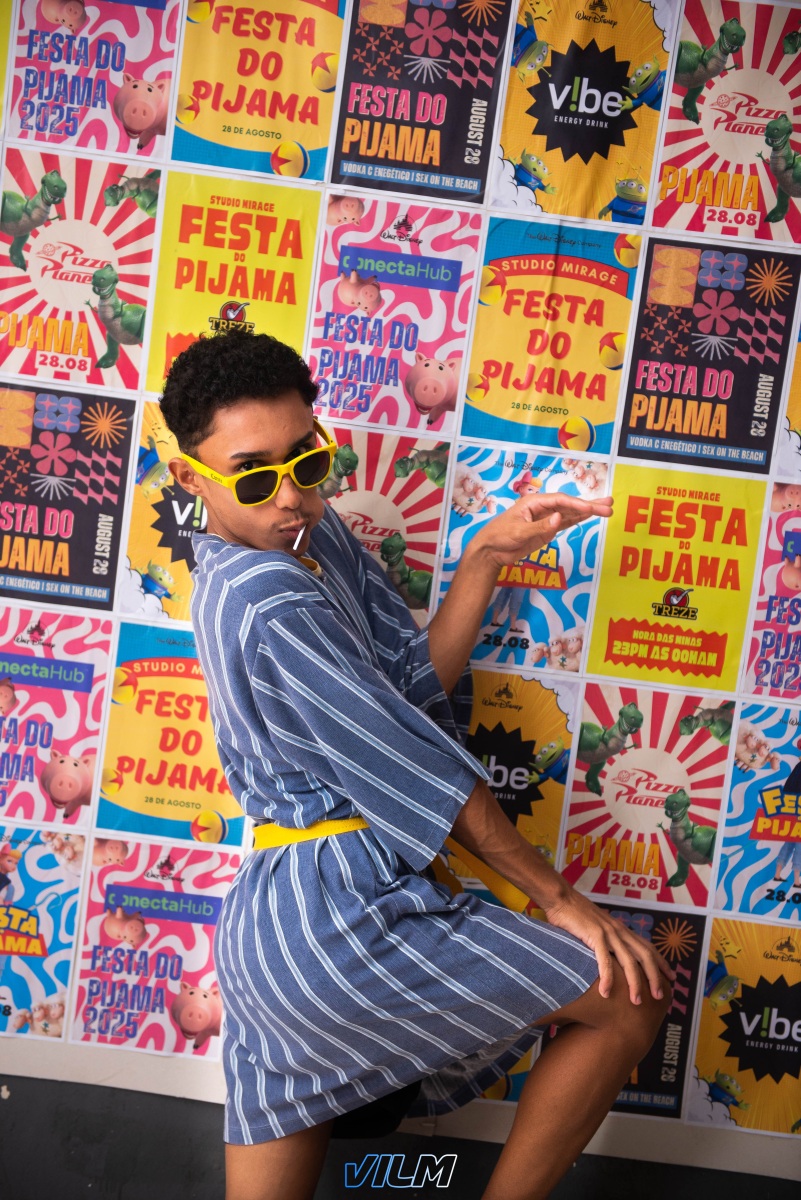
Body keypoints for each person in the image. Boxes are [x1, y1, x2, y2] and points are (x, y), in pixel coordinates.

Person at [162, 329, 673, 1200]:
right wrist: (559, 900)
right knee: (630, 995)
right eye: (252, 476)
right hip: (337, 920)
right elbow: (415, 772)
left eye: (306, 460)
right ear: (189, 478)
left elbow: (407, 686)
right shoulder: (264, 595)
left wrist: (485, 556)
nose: (289, 495)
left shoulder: (307, 538)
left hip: (271, 943)